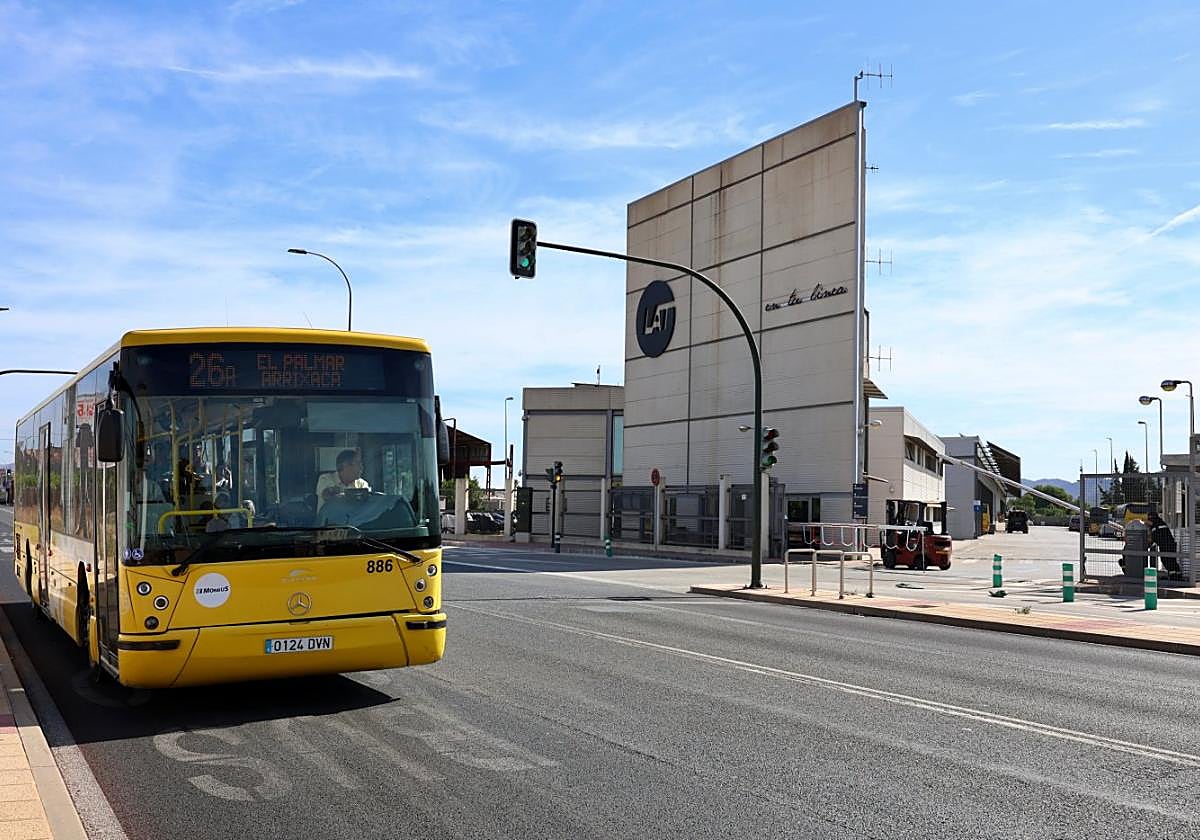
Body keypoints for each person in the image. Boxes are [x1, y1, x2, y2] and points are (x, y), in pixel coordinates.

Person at [1148, 513, 1181, 578]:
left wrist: (1149, 544)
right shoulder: (1161, 523)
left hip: (1165, 546)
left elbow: (1155, 537)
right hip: (1171, 544)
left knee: (1166, 560)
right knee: (1172, 560)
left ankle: (1173, 576)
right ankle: (1178, 575)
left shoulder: (1155, 526)